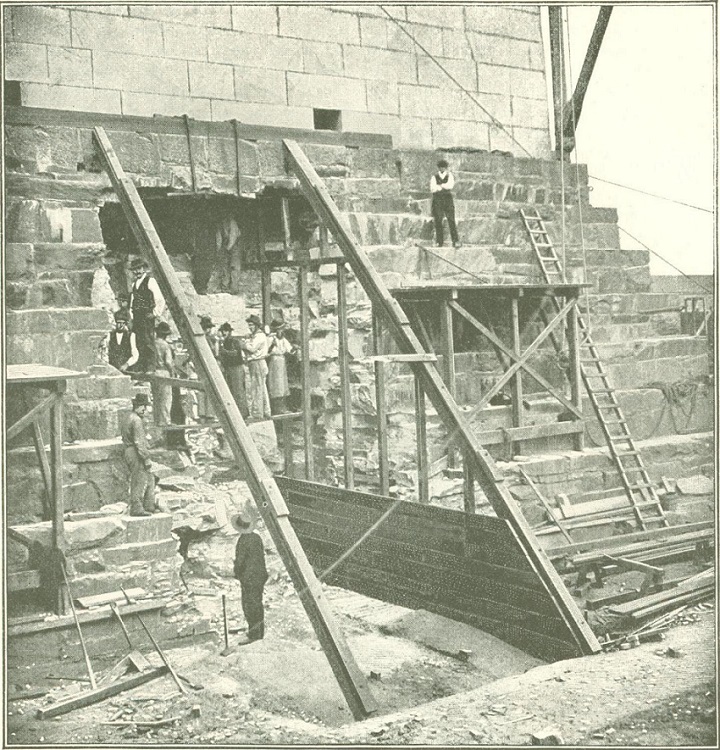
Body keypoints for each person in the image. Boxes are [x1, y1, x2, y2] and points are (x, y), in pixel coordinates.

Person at [232, 510, 268, 644]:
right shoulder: (256, 537)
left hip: (249, 578)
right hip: (260, 575)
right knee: (258, 604)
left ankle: (254, 634)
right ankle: (259, 632)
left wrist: (236, 572)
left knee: (249, 605)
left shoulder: (243, 540)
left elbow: (240, 561)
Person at [120, 393, 156, 517]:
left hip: (129, 450)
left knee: (143, 478)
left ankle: (148, 505)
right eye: (143, 407)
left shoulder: (128, 417)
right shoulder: (136, 420)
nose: (145, 410)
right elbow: (139, 442)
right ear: (138, 406)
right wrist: (146, 458)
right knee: (139, 479)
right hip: (135, 452)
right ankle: (136, 508)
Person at [129, 257, 165, 372]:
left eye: (139, 268)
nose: (137, 271)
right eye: (134, 269)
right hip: (137, 316)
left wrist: (154, 313)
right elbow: (132, 301)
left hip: (146, 316)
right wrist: (132, 315)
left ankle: (151, 367)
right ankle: (142, 367)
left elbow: (160, 299)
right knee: (139, 341)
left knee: (148, 340)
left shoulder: (150, 281)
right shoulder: (134, 284)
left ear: (143, 268)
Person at [241, 314, 271, 421]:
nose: (250, 327)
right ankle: (265, 411)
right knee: (260, 387)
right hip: (255, 363)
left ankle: (258, 413)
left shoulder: (260, 336)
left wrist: (243, 344)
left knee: (257, 388)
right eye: (249, 325)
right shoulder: (254, 336)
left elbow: (252, 348)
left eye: (252, 325)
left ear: (257, 325)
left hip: (257, 362)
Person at [218, 322, 249, 419]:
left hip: (237, 367)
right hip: (230, 368)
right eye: (223, 331)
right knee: (232, 390)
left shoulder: (234, 341)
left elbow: (235, 353)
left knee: (238, 390)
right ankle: (236, 413)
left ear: (229, 332)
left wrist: (224, 352)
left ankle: (242, 413)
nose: (224, 333)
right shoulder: (224, 341)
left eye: (226, 331)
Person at [430, 158, 461, 248]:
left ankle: (455, 241)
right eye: (440, 167)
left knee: (451, 219)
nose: (442, 169)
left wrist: (440, 186)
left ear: (446, 168)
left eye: (444, 167)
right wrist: (441, 187)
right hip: (438, 200)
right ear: (438, 168)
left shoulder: (449, 176)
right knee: (438, 220)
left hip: (447, 199)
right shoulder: (434, 177)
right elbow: (432, 188)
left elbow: (450, 186)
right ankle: (439, 242)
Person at [267, 319, 293, 414]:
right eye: (280, 329)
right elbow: (266, 351)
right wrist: (271, 346)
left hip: (281, 360)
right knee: (276, 383)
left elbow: (289, 348)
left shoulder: (282, 339)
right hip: (274, 361)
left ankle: (283, 406)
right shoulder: (271, 339)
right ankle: (277, 407)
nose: (281, 331)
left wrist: (294, 349)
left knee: (282, 383)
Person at [153, 321, 175, 425]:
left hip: (154, 371)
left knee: (156, 397)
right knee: (166, 398)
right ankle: (165, 420)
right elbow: (168, 362)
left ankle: (157, 420)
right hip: (164, 372)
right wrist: (172, 372)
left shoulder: (153, 343)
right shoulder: (166, 345)